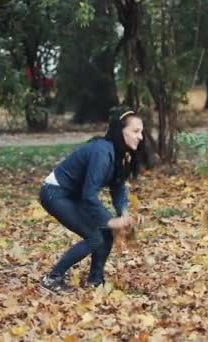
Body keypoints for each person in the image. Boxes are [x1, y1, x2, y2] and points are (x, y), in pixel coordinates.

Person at [38, 111, 143, 293]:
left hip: (72, 195)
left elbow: (117, 187)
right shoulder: (102, 152)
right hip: (54, 193)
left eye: (141, 132)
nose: (140, 137)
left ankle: (95, 281)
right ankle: (51, 280)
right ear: (121, 131)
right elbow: (89, 194)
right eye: (136, 131)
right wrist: (109, 220)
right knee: (94, 237)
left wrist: (124, 212)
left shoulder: (119, 154)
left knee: (106, 233)